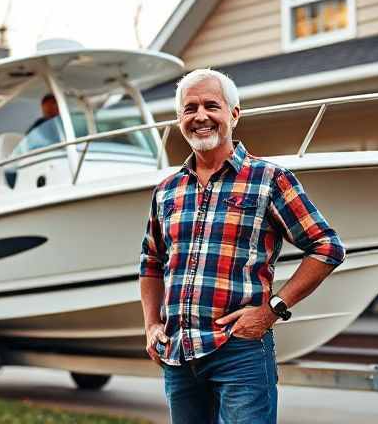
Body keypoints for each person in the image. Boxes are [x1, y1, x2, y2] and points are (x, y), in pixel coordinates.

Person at [139, 68, 346, 423]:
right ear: (179, 119)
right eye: (190, 108)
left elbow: (327, 247)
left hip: (240, 352)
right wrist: (150, 325)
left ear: (234, 114)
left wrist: (273, 309)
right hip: (178, 354)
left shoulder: (270, 180)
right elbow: (151, 262)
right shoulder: (167, 191)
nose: (200, 116)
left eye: (211, 105)